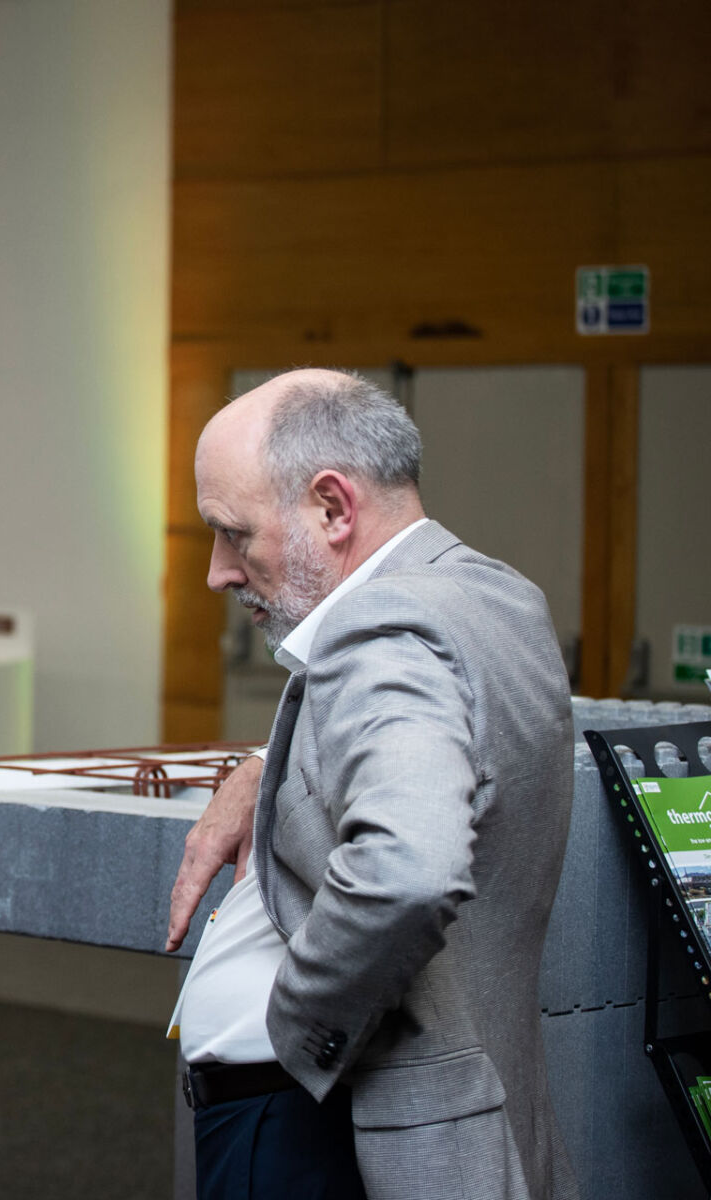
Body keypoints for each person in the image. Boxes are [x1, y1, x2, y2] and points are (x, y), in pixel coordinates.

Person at [164, 369, 577, 1200]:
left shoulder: (377, 625)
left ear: (333, 508)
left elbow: (409, 867)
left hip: (320, 1125)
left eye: (233, 534)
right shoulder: (494, 592)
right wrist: (265, 767)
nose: (217, 571)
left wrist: (302, 1026)